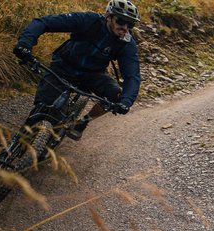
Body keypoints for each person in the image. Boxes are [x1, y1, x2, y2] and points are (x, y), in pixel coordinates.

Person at [13, 0, 142, 140]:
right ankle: (18, 142)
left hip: (93, 74)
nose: (125, 28)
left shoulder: (126, 44)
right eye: (121, 21)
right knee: (44, 108)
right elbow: (44, 22)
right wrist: (25, 44)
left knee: (115, 94)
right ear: (108, 16)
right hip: (63, 66)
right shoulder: (89, 21)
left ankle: (83, 122)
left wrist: (126, 101)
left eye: (130, 24)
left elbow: (132, 76)